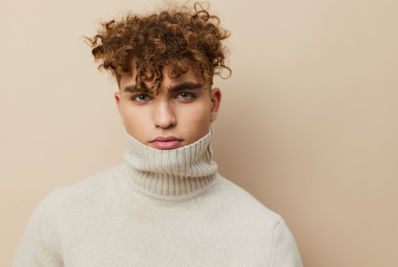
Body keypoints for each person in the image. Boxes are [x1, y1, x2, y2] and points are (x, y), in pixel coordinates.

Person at [13, 2, 303, 266]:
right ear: (120, 106)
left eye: (184, 95)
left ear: (213, 104)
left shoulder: (265, 237)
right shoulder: (62, 217)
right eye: (141, 97)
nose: (164, 119)